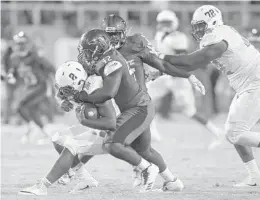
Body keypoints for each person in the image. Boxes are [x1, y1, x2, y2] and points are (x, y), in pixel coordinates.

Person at [68, 29, 186, 192]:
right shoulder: (106, 58)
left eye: (87, 51)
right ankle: (172, 181)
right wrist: (70, 97)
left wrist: (82, 97)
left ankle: (147, 169)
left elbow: (108, 92)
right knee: (144, 150)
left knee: (112, 143)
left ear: (98, 48)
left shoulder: (112, 62)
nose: (84, 55)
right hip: (139, 106)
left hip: (138, 109)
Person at [159, 5, 260, 187]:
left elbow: (189, 62)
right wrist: (160, 70)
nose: (197, 30)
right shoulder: (218, 35)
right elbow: (198, 63)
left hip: (255, 82)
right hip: (248, 83)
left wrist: (158, 57)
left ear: (213, 22)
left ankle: (255, 176)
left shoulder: (219, 38)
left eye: (201, 25)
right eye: (196, 26)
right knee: (232, 132)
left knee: (235, 133)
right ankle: (255, 176)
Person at [18, 61, 114, 196]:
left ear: (79, 82)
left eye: (69, 89)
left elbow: (111, 122)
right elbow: (61, 96)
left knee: (71, 145)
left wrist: (85, 119)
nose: (65, 92)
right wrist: (64, 101)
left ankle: (43, 186)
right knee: (58, 138)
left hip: (112, 134)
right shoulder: (82, 83)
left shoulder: (97, 88)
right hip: (95, 126)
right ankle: (85, 178)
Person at [149, 10, 224, 148]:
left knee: (190, 112)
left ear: (174, 23)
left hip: (178, 78)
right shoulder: (159, 35)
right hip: (165, 77)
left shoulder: (178, 37)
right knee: (144, 97)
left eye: (167, 23)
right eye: (163, 22)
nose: (165, 26)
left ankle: (216, 132)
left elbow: (180, 60)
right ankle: (153, 132)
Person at [10, 31, 56, 144]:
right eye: (18, 43)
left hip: (40, 86)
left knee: (18, 106)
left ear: (27, 44)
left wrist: (54, 84)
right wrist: (10, 76)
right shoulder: (14, 58)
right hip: (29, 87)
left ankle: (31, 127)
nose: (20, 46)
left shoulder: (35, 56)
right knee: (32, 111)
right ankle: (47, 135)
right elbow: (14, 73)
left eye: (23, 43)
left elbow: (51, 68)